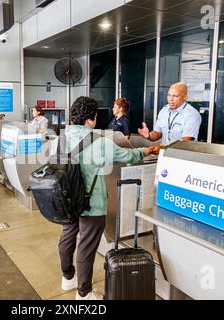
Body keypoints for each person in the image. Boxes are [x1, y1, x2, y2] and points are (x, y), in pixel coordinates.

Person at [59, 96, 160, 300]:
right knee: (86, 248)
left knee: (68, 236)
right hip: (91, 203)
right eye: (95, 116)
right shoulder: (98, 141)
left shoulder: (61, 137)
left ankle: (67, 277)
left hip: (67, 200)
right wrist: (146, 150)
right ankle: (84, 293)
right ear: (90, 120)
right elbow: (128, 156)